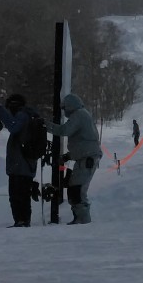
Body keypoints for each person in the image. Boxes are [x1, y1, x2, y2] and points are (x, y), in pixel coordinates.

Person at [43, 91, 102, 223]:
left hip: (86, 158)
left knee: (77, 191)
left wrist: (45, 125)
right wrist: (68, 156)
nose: (64, 111)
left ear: (70, 106)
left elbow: (64, 130)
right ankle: (80, 218)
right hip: (86, 157)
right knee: (75, 189)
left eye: (64, 108)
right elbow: (84, 142)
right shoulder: (84, 115)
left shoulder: (78, 114)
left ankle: (82, 221)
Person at [0, 92, 45, 227]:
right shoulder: (30, 115)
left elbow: (13, 127)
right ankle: (23, 221)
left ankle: (21, 221)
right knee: (23, 195)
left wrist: (0, 110)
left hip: (20, 164)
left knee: (17, 195)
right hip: (26, 163)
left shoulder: (22, 115)